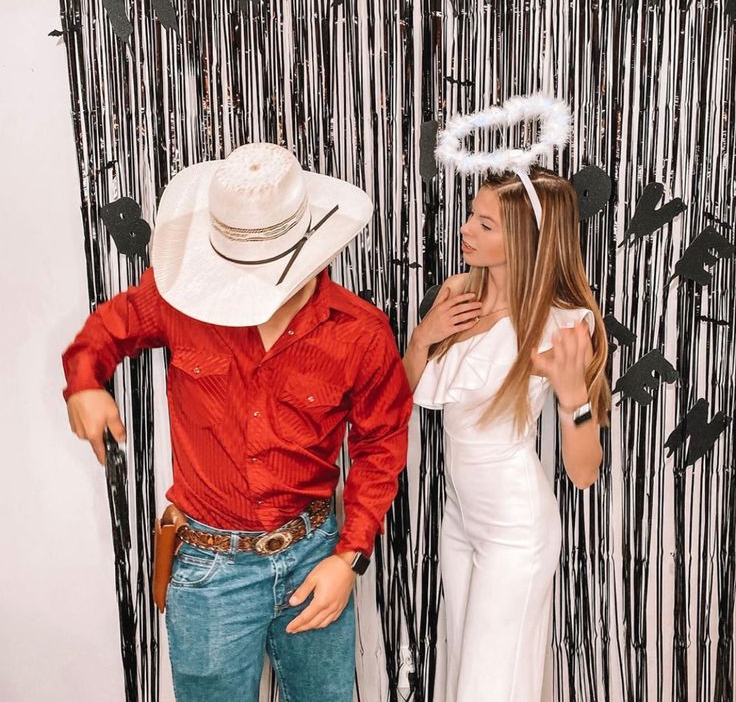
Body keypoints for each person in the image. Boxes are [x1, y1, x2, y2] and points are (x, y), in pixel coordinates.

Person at [62, 142, 413, 702]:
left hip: (314, 555)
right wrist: (84, 382)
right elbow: (105, 331)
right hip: (208, 572)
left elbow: (381, 446)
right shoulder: (178, 299)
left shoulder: (362, 333)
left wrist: (348, 558)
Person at [403, 167, 610, 702]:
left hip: (516, 532)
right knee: (462, 675)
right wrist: (424, 336)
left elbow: (584, 473)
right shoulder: (457, 294)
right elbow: (404, 394)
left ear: (526, 237)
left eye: (486, 224)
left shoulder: (562, 323)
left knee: (490, 688)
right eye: (472, 215)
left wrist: (573, 399)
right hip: (459, 521)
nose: (466, 229)